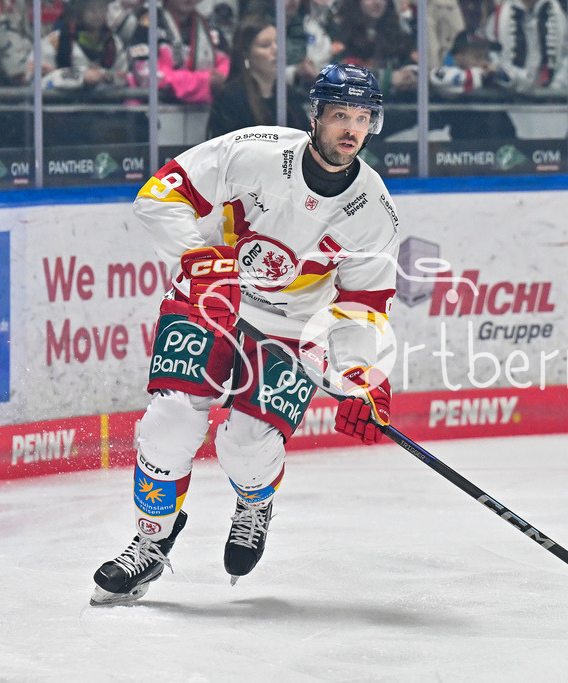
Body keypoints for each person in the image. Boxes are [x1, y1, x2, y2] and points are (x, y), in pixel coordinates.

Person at [90, 63, 399, 606]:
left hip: (293, 327)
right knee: (170, 421)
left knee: (249, 446)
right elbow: (159, 196)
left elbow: (364, 306)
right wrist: (197, 258)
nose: (351, 129)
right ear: (315, 117)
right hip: (210, 298)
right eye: (339, 116)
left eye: (361, 118)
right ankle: (151, 541)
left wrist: (358, 377)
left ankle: (255, 501)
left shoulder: (374, 210)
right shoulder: (254, 152)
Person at [206, 14, 308, 136]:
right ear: (246, 54)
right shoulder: (229, 98)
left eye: (279, 43)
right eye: (265, 45)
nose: (276, 50)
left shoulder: (288, 95)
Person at [127, 0, 229, 104]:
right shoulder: (148, 24)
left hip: (205, 111)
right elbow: (147, 74)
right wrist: (205, 82)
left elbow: (229, 72)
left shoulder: (211, 29)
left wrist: (178, 80)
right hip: (155, 110)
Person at [35, 0, 129, 91]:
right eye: (90, 9)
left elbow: (122, 80)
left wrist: (104, 76)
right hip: (65, 100)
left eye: (101, 7)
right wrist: (80, 76)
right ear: (79, 10)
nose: (97, 13)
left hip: (103, 101)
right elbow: (38, 79)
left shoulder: (115, 44)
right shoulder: (55, 41)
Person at [486, 0, 568, 95]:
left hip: (551, 97)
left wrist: (554, 89)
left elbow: (567, 57)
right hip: (509, 96)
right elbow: (492, 57)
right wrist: (512, 79)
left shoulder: (557, 13)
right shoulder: (499, 17)